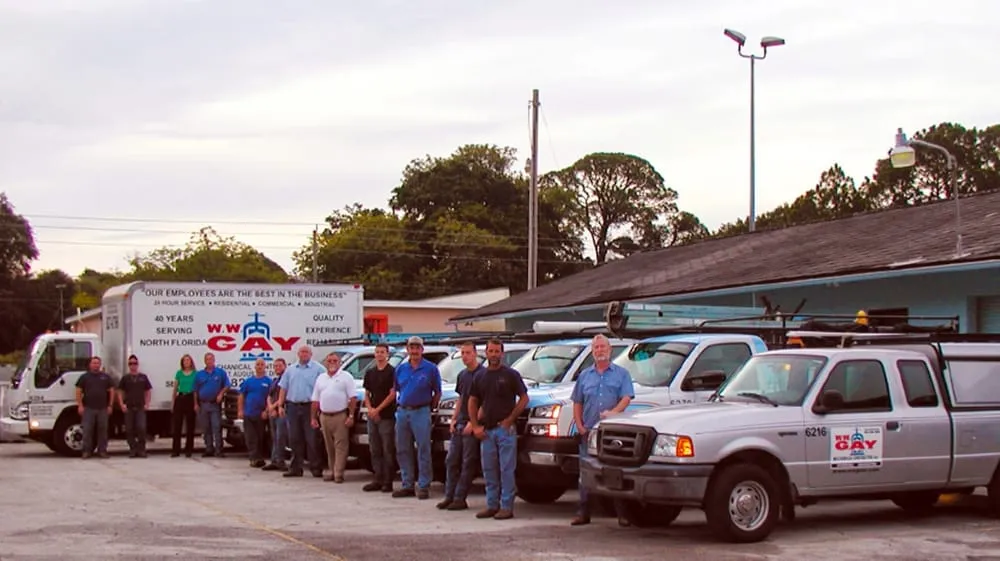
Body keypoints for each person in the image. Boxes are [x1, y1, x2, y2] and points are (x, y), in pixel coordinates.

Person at [569, 334, 635, 527]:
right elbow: (577, 402)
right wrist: (579, 425)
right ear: (592, 351)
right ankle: (583, 512)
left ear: (610, 349)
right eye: (596, 348)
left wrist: (613, 413)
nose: (600, 351)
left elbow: (626, 398)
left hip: (611, 434)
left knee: (615, 473)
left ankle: (622, 514)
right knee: (585, 473)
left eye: (602, 347)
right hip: (588, 432)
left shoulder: (621, 374)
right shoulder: (584, 376)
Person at [468, 339, 529, 520]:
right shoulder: (479, 376)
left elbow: (524, 398)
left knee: (506, 470)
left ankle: (506, 507)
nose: (494, 355)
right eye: (491, 351)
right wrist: (475, 426)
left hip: (505, 431)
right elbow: (472, 401)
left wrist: (510, 419)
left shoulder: (511, 375)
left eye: (497, 351)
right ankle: (491, 505)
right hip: (487, 432)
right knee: (489, 470)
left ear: (502, 354)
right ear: (485, 353)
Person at [392, 336, 442, 500]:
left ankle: (423, 485)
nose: (414, 351)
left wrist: (430, 408)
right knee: (403, 449)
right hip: (402, 412)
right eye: (411, 348)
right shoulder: (400, 369)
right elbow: (397, 389)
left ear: (422, 350)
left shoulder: (431, 369)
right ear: (407, 349)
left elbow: (438, 392)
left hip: (421, 411)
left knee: (423, 448)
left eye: (417, 348)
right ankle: (407, 484)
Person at [437, 341, 484, 511]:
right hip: (459, 424)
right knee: (451, 461)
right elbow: (461, 399)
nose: (465, 356)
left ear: (475, 353)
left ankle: (460, 497)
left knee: (468, 462)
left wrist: (473, 423)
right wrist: (453, 419)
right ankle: (449, 496)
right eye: (462, 353)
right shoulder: (462, 375)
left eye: (467, 353)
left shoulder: (482, 374)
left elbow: (484, 403)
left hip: (471, 426)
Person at [277, 345, 325, 478]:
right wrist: (280, 405)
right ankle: (295, 468)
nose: (304, 354)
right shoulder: (290, 370)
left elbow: (324, 388)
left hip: (310, 407)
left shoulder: (319, 369)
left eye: (306, 352)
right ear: (298, 354)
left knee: (312, 439)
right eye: (301, 352)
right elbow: (283, 388)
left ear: (311, 354)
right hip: (292, 407)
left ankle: (316, 468)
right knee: (294, 439)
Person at [310, 353, 357, 483]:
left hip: (340, 415)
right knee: (329, 446)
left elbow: (353, 398)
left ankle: (338, 473)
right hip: (324, 416)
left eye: (335, 360)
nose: (332, 363)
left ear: (340, 363)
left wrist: (351, 416)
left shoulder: (346, 377)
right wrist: (313, 418)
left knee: (341, 445)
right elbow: (315, 399)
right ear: (326, 363)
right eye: (329, 360)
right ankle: (332, 470)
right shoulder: (321, 378)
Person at [362, 343, 397, 493]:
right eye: (377, 352)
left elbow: (392, 394)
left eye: (382, 352)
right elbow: (366, 394)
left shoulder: (392, 372)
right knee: (374, 449)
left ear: (387, 354)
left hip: (386, 416)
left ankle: (388, 481)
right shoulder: (370, 373)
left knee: (387, 449)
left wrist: (378, 409)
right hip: (372, 416)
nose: (379, 354)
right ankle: (377, 478)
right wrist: (370, 409)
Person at [76, 356, 115, 459]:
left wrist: (110, 405)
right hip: (88, 408)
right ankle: (86, 451)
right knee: (87, 431)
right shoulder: (84, 377)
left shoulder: (105, 377)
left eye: (97, 363)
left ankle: (102, 451)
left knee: (103, 431)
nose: (96, 365)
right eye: (94, 363)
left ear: (100, 365)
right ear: (90, 365)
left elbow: (111, 391)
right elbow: (78, 391)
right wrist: (80, 405)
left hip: (103, 409)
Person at [193, 352, 230, 457]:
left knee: (216, 427)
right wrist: (195, 404)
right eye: (207, 359)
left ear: (214, 360)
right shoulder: (199, 374)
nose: (209, 361)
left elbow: (227, 385)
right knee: (206, 428)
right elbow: (195, 390)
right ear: (205, 361)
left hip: (215, 405)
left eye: (211, 359)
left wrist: (221, 394)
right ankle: (209, 449)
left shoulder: (220, 373)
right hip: (203, 405)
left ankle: (219, 450)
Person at [239, 358, 273, 468]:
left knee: (260, 437)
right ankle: (254, 458)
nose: (259, 366)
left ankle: (259, 457)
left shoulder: (269, 382)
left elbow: (271, 398)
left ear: (265, 367)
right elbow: (241, 396)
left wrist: (266, 411)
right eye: (257, 364)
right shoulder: (248, 381)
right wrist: (240, 410)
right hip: (248, 413)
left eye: (262, 364)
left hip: (261, 415)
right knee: (250, 437)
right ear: (255, 367)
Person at [118, 354, 152, 458]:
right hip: (129, 407)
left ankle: (141, 450)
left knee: (141, 428)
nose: (133, 365)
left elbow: (148, 391)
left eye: (135, 363)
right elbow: (119, 391)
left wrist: (147, 403)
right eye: (131, 363)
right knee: (129, 430)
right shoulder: (125, 378)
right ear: (129, 365)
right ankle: (133, 449)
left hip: (140, 407)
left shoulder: (143, 377)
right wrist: (121, 404)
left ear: (137, 365)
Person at [262, 357, 289, 471]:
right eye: (275, 366)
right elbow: (269, 395)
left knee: (281, 437)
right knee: (274, 438)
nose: (277, 368)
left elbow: (284, 396)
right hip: (272, 413)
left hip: (281, 412)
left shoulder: (287, 380)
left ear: (285, 366)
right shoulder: (274, 381)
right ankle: (274, 460)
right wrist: (269, 408)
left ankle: (281, 461)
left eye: (279, 366)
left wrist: (274, 407)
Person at [171, 354, 198, 457]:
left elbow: (196, 390)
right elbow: (175, 389)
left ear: (191, 362)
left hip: (190, 398)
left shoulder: (195, 374)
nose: (186, 362)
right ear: (182, 362)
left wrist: (196, 403)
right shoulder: (179, 373)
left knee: (190, 426)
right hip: (180, 399)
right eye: (185, 360)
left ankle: (189, 450)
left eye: (188, 360)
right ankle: (175, 450)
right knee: (177, 426)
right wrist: (173, 403)